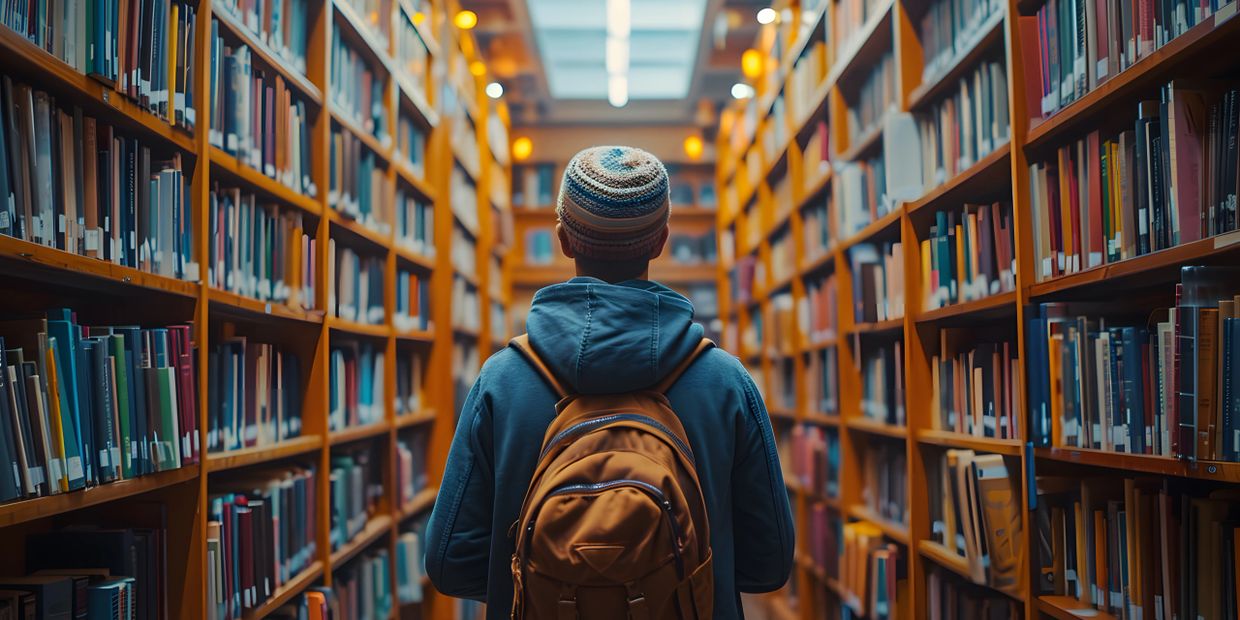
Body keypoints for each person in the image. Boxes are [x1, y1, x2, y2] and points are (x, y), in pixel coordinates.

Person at [425, 145, 795, 618]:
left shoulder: (503, 381)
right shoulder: (725, 382)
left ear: (562, 238)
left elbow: (450, 563)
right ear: (661, 241)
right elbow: (769, 564)